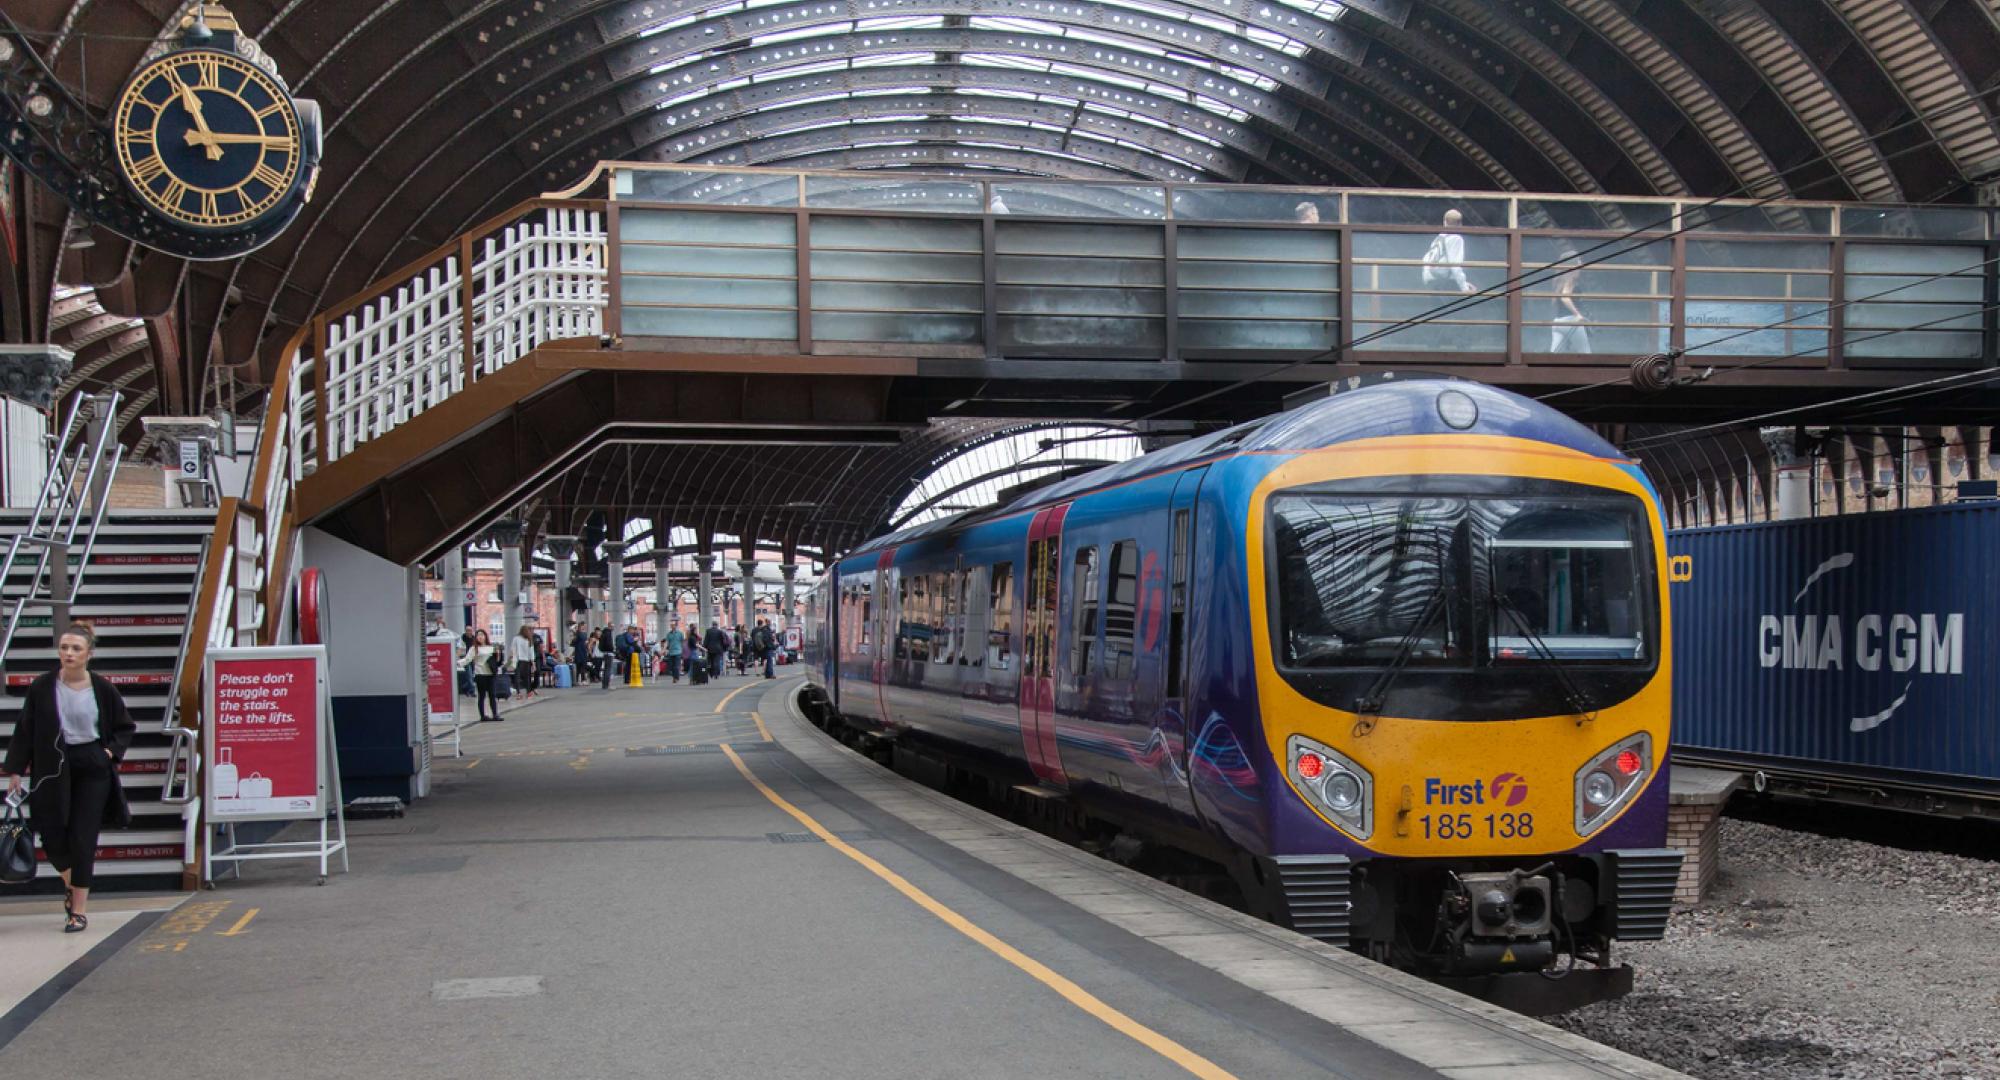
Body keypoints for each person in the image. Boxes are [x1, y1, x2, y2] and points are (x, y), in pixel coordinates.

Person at [3, 623, 135, 933]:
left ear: (89, 654)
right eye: (64, 648)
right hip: (52, 767)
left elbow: (125, 727)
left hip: (92, 765)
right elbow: (25, 729)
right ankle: (71, 883)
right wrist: (15, 770)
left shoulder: (102, 688)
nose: (69, 653)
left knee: (83, 839)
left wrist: (109, 753)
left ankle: (78, 910)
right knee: (52, 837)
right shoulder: (42, 686)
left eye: (76, 649)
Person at [1549, 245, 1592, 353]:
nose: (1581, 263)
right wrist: (1578, 315)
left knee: (1553, 354)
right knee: (1585, 353)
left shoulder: (1560, 280)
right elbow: (1565, 297)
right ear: (1573, 264)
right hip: (1571, 321)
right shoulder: (1570, 278)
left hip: (1558, 322)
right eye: (1578, 260)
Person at [464, 629, 503, 720]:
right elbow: (467, 659)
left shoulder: (491, 647)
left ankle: (495, 714)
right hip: (480, 674)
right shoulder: (474, 648)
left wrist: (498, 655)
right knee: (482, 696)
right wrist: (457, 663)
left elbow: (496, 661)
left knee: (492, 695)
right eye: (478, 635)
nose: (480, 637)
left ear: (485, 636)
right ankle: (483, 716)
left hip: (490, 674)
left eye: (482, 635)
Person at [509, 625, 539, 700]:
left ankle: (519, 693)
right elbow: (531, 652)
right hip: (526, 661)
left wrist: (510, 659)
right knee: (527, 678)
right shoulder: (529, 639)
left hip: (518, 660)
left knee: (517, 677)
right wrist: (533, 663)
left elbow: (512, 649)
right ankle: (528, 692)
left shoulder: (516, 638)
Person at [598, 624, 617, 689]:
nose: (613, 628)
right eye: (613, 627)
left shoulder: (603, 633)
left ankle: (604, 685)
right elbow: (609, 644)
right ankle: (607, 685)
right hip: (609, 653)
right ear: (610, 626)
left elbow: (600, 644)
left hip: (604, 653)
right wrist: (613, 650)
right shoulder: (608, 633)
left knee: (605, 669)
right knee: (608, 669)